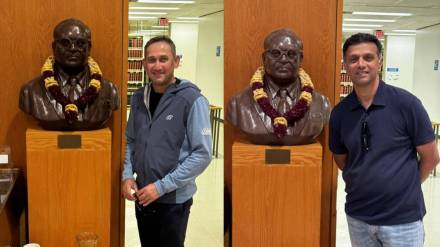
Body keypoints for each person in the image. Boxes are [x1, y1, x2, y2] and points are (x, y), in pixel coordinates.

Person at [329, 33, 440, 247]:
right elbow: (342, 160)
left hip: (403, 221)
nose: (361, 64)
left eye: (368, 57)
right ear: (345, 64)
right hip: (359, 218)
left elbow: (431, 158)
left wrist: (405, 186)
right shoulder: (340, 113)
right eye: (353, 59)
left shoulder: (407, 104)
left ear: (379, 61)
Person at [121, 36, 212, 247]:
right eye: (151, 60)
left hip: (173, 201)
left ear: (176, 61)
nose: (157, 66)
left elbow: (202, 154)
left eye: (164, 59)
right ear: (144, 64)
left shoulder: (192, 100)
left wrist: (161, 187)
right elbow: (131, 140)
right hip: (143, 196)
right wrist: (127, 176)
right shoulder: (137, 98)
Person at [227, 28, 331, 145]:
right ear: (264, 58)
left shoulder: (322, 103)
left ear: (301, 58)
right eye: (275, 53)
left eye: (291, 54)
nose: (283, 59)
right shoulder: (238, 103)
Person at [19, 18, 119, 130]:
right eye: (65, 43)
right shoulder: (31, 92)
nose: (72, 48)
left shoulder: (110, 90)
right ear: (53, 47)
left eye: (80, 43)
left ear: (89, 47)